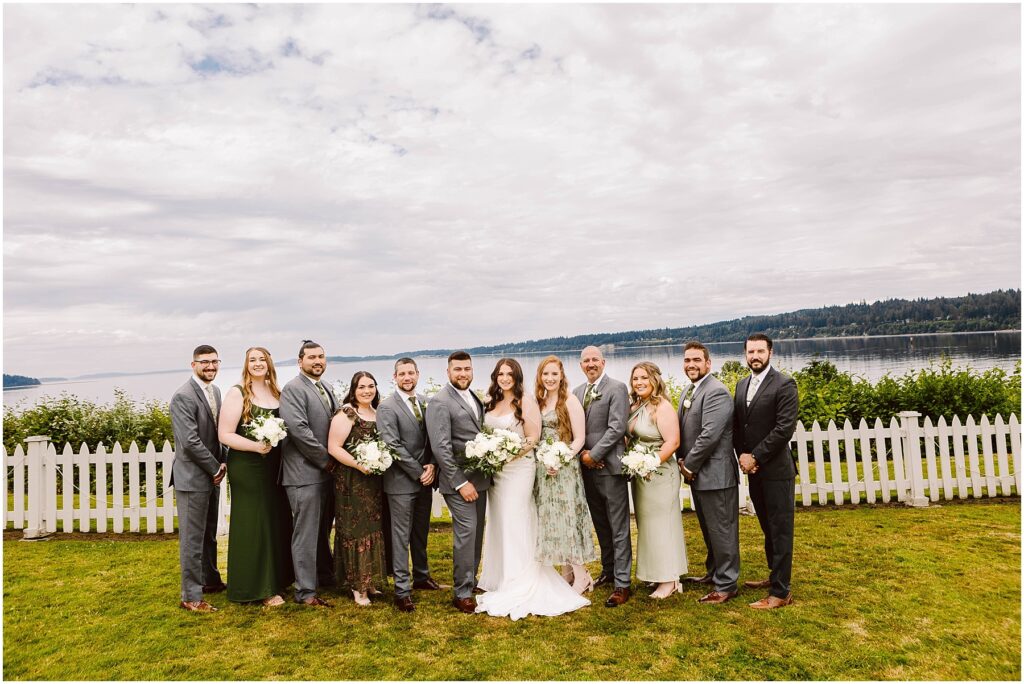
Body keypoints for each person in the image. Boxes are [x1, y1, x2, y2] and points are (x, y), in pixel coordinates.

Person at [475, 359, 590, 620]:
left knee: (518, 520)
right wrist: (491, 454)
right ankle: (503, 576)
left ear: (518, 376)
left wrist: (507, 453)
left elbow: (532, 439)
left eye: (510, 374)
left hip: (519, 469)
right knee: (501, 523)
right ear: (495, 376)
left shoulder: (526, 401)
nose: (505, 378)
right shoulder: (490, 401)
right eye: (500, 374)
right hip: (498, 473)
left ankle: (521, 579)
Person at [218, 347, 294, 607]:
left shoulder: (277, 392)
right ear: (246, 364)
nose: (258, 363)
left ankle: (278, 577)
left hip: (274, 466)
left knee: (276, 519)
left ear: (269, 363)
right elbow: (225, 434)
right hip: (248, 466)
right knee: (255, 522)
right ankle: (258, 588)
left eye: (262, 359)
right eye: (253, 360)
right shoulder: (237, 392)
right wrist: (255, 446)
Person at [733, 333, 799, 609]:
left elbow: (784, 428)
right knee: (767, 528)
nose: (755, 356)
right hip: (755, 471)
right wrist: (744, 457)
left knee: (781, 530)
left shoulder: (784, 384)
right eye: (750, 352)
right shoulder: (741, 384)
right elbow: (739, 427)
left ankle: (781, 592)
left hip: (776, 471)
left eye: (760, 351)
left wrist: (756, 456)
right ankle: (775, 577)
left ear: (770, 353)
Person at [423, 351, 490, 614]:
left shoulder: (474, 397)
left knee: (477, 534)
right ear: (448, 372)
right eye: (458, 369)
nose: (463, 373)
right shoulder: (440, 401)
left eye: (467, 369)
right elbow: (441, 448)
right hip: (458, 481)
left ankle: (471, 581)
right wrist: (461, 483)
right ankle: (461, 591)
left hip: (480, 478)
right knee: (466, 533)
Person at [676, 342, 740, 605]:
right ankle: (713, 572)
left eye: (696, 360)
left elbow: (709, 435)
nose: (691, 364)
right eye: (687, 360)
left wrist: (688, 465)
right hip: (699, 475)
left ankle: (726, 584)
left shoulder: (716, 392)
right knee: (709, 528)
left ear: (708, 363)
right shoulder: (689, 391)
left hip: (715, 474)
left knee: (722, 530)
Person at [376, 358, 443, 612]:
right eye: (402, 373)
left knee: (420, 533)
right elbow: (393, 445)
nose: (407, 377)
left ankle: (422, 577)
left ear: (418, 374)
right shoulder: (387, 407)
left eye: (411, 373)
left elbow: (437, 439)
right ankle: (402, 590)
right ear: (394, 377)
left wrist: (433, 466)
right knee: (401, 536)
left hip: (426, 478)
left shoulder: (427, 403)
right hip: (401, 483)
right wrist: (418, 472)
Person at [573, 346, 633, 607]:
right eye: (586, 361)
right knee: (601, 524)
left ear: (603, 362)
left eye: (594, 359)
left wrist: (594, 455)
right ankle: (608, 571)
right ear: (581, 365)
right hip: (586, 470)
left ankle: (622, 584)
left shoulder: (617, 388)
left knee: (618, 526)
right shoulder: (576, 393)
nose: (590, 364)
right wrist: (582, 457)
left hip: (609, 468)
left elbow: (617, 427)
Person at [533, 355, 597, 594]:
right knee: (553, 521)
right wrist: (545, 460)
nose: (550, 378)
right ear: (540, 377)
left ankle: (582, 576)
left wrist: (560, 459)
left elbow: (580, 438)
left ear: (562, 376)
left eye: (554, 374)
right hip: (544, 470)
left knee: (569, 519)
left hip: (565, 470)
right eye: (545, 374)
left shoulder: (569, 401)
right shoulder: (539, 402)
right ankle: (567, 573)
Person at [169, 344, 227, 612]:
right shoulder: (183, 396)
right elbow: (190, 442)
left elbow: (218, 432)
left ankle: (210, 580)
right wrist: (215, 468)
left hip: (212, 475)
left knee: (209, 535)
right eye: (205, 362)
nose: (210, 367)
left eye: (214, 362)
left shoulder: (214, 391)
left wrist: (223, 459)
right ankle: (191, 596)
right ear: (193, 365)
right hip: (193, 478)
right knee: (192, 539)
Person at [279, 340, 336, 607]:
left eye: (321, 356)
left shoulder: (325, 387)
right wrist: (327, 461)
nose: (317, 361)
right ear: (300, 361)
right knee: (306, 533)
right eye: (311, 357)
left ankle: (323, 577)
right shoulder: (293, 389)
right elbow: (299, 431)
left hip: (325, 475)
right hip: (304, 475)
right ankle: (305, 592)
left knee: (322, 531)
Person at [326, 371, 389, 606]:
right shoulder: (347, 413)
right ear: (353, 390)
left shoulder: (378, 412)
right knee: (355, 530)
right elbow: (333, 447)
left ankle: (369, 580)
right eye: (361, 387)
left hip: (373, 481)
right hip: (352, 481)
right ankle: (356, 586)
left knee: (372, 528)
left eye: (371, 386)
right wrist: (359, 464)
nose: (367, 391)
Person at [626, 361, 686, 599]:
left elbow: (673, 443)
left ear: (654, 380)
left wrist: (650, 463)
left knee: (663, 525)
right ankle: (657, 573)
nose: (639, 383)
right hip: (642, 475)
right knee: (648, 526)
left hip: (660, 474)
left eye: (643, 378)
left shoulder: (662, 407)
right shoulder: (637, 405)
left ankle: (670, 580)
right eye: (635, 379)